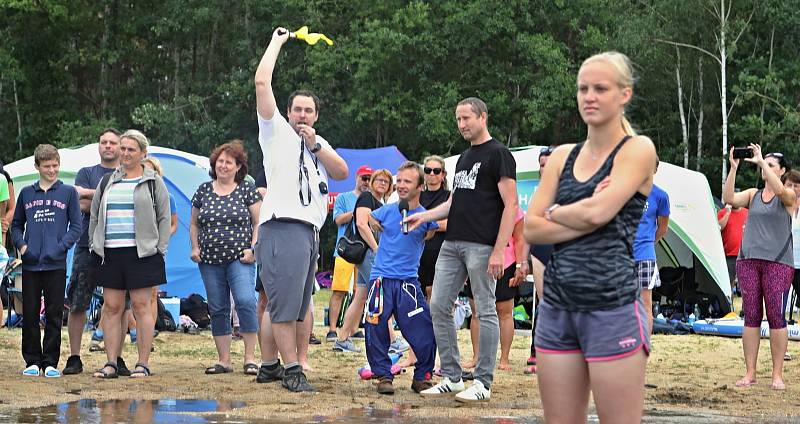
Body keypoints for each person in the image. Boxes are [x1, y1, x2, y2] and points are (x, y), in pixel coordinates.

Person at [524, 51, 656, 423]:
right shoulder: (563, 155)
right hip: (557, 308)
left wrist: (557, 213)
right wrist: (586, 213)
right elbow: (531, 228)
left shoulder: (637, 150)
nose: (590, 96)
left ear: (624, 94)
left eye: (601, 88)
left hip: (612, 308)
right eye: (583, 88)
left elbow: (600, 213)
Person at [253, 26, 348, 392]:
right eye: (297, 110)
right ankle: (291, 369)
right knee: (284, 305)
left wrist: (317, 145)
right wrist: (277, 41)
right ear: (287, 112)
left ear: (317, 116)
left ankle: (269, 366)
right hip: (284, 227)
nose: (303, 115)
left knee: (292, 302)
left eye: (309, 111)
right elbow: (262, 83)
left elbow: (341, 172)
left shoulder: (316, 146)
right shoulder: (275, 132)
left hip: (308, 232)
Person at [408, 97, 518, 403]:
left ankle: (483, 382)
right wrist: (425, 216)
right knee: (438, 306)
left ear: (483, 116)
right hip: (452, 243)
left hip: (483, 246)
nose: (461, 124)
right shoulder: (465, 157)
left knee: (486, 309)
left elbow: (512, 205)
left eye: (466, 118)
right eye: (458, 119)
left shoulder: (499, 154)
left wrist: (499, 250)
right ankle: (454, 378)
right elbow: (454, 202)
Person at [89, 130, 171, 379]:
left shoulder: (153, 182)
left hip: (142, 254)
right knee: (112, 307)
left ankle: (143, 363)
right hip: (110, 253)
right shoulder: (107, 182)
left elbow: (164, 218)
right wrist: (95, 244)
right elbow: (94, 216)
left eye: (130, 149)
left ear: (143, 153)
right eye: (122, 148)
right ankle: (111, 363)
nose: (124, 153)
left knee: (141, 307)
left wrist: (159, 250)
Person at [723, 146, 795, 390]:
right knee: (751, 317)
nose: (765, 166)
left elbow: (784, 195)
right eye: (766, 164)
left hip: (778, 263)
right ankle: (750, 372)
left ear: (782, 171)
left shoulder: (789, 195)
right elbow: (729, 199)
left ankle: (776, 375)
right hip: (749, 261)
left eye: (772, 164)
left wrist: (762, 164)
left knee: (776, 317)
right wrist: (733, 168)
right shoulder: (754, 194)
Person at [364, 161, 438, 395]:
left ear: (420, 186)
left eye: (408, 181)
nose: (402, 185)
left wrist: (425, 226)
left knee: (423, 329)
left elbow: (432, 230)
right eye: (400, 181)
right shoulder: (387, 210)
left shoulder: (425, 217)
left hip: (408, 282)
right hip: (381, 280)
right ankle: (383, 375)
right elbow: (367, 216)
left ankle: (422, 376)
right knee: (375, 328)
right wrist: (373, 224)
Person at [190, 140, 261, 375]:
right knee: (218, 307)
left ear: (239, 166)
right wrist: (195, 248)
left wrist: (254, 249)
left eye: (229, 162)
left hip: (240, 258)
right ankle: (224, 360)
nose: (223, 166)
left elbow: (258, 222)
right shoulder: (202, 190)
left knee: (245, 301)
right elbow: (193, 223)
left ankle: (250, 358)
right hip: (209, 260)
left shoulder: (247, 189)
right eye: (220, 161)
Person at [11, 144, 82, 378]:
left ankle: (50, 361)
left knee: (53, 312)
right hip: (31, 263)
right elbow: (16, 225)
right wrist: (22, 246)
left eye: (55, 166)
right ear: (37, 167)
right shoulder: (26, 193)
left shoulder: (68, 192)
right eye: (47, 166)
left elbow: (76, 227)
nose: (52, 170)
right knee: (30, 313)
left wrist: (60, 248)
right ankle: (31, 360)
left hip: (56, 263)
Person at [63, 129, 122, 375]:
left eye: (113, 143)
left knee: (119, 304)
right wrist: (102, 197)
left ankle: (116, 359)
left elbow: (91, 202)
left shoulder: (127, 173)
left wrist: (90, 195)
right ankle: (74, 357)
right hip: (87, 243)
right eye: (103, 142)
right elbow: (80, 205)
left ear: (120, 147)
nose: (108, 146)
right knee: (78, 301)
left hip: (119, 246)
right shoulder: (86, 172)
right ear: (99, 146)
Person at [333, 169, 393, 353]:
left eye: (386, 181)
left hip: (368, 253)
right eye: (379, 180)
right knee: (382, 292)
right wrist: (376, 249)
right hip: (367, 252)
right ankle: (393, 339)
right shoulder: (367, 198)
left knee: (360, 297)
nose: (382, 183)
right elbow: (360, 224)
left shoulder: (380, 203)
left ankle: (342, 339)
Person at [462, 206, 528, 372]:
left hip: (506, 263)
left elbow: (520, 239)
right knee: (476, 311)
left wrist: (520, 265)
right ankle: (476, 357)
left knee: (504, 312)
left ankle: (504, 358)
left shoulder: (514, 209)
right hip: (476, 263)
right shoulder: (475, 205)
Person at [326, 165, 372, 342]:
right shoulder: (344, 197)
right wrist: (357, 212)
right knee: (339, 290)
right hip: (346, 250)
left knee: (359, 291)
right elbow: (337, 220)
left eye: (369, 178)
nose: (366, 182)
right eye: (364, 178)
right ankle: (332, 329)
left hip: (364, 251)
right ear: (357, 177)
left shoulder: (371, 199)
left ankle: (353, 328)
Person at [525, 146, 554, 375]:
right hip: (541, 248)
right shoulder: (538, 193)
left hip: (564, 248)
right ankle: (538, 350)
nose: (544, 168)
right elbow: (527, 227)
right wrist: (521, 260)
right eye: (541, 164)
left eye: (549, 164)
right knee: (543, 300)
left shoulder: (571, 189)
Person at [633, 159, 670, 333]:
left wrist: (647, 241)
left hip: (645, 256)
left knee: (645, 303)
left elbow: (663, 228)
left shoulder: (660, 196)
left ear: (655, 170)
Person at [718, 201, 748, 295]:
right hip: (729, 255)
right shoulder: (722, 213)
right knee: (728, 283)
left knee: (746, 284)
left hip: (745, 255)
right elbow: (719, 227)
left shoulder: (746, 212)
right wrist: (727, 213)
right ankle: (729, 305)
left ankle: (746, 308)